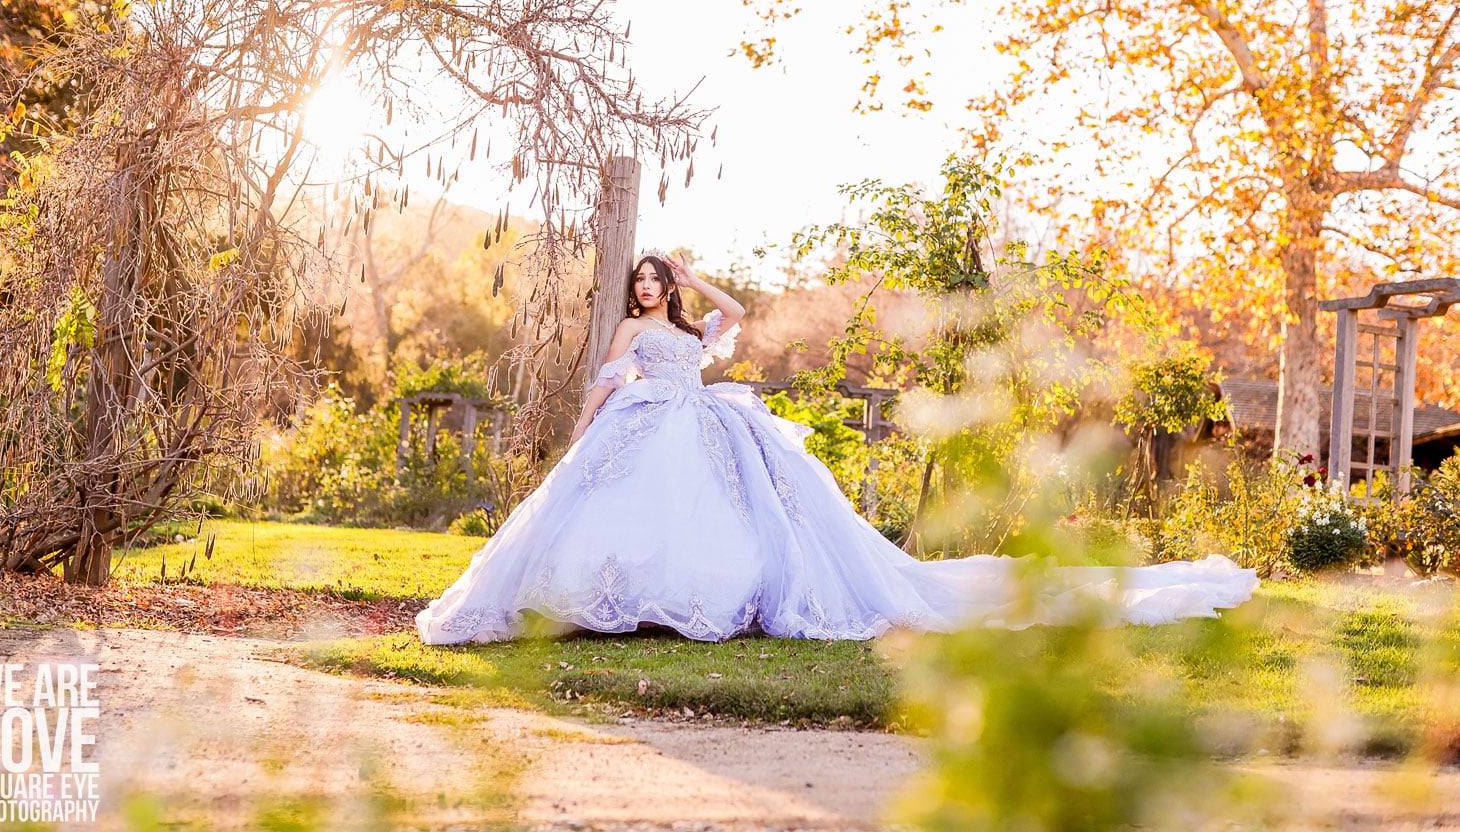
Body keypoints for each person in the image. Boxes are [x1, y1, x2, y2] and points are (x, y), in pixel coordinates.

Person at [415, 250, 1258, 645]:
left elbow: (738, 316)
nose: (644, 291)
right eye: (640, 283)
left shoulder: (687, 319)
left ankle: (691, 601)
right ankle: (621, 601)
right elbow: (608, 379)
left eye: (652, 281)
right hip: (645, 424)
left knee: (733, 510)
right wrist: (584, 424)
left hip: (704, 418)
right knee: (627, 512)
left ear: (666, 285)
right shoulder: (632, 330)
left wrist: (692, 274)